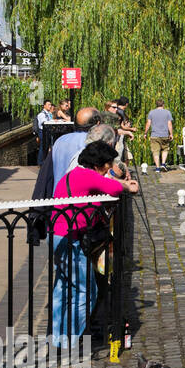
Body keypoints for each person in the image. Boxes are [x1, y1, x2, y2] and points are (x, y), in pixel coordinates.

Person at [51, 140, 139, 348]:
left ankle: (56, 338)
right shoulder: (89, 175)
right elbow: (114, 187)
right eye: (108, 165)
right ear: (99, 164)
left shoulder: (72, 174)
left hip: (57, 235)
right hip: (73, 239)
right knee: (85, 291)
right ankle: (68, 342)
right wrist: (127, 184)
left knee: (63, 288)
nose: (108, 169)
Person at [145, 99, 174, 172]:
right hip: (164, 135)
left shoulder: (151, 112)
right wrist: (171, 134)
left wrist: (145, 133)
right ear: (163, 105)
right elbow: (169, 124)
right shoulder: (167, 112)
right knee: (165, 149)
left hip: (154, 135)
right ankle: (163, 164)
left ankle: (157, 168)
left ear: (156, 105)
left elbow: (148, 123)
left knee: (155, 151)